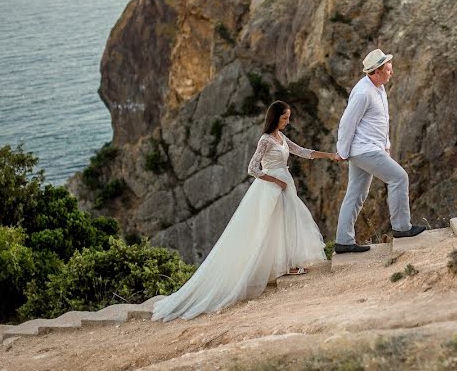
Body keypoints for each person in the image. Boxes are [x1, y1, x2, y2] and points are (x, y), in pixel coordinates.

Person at [152, 101, 339, 322]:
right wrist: (275, 181)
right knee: (270, 227)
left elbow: (302, 151)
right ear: (275, 117)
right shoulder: (266, 139)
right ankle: (272, 268)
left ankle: (290, 264)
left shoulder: (281, 137)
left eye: (288, 118)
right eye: (285, 118)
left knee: (289, 221)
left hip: (285, 184)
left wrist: (329, 155)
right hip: (272, 188)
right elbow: (252, 168)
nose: (288, 121)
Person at [334, 49, 425, 253]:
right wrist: (342, 151)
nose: (391, 72)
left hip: (370, 148)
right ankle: (402, 228)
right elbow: (347, 123)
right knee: (399, 178)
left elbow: (380, 123)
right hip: (364, 150)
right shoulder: (363, 92)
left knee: (356, 194)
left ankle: (343, 242)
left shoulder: (379, 88)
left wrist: (386, 147)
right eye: (388, 69)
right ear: (376, 71)